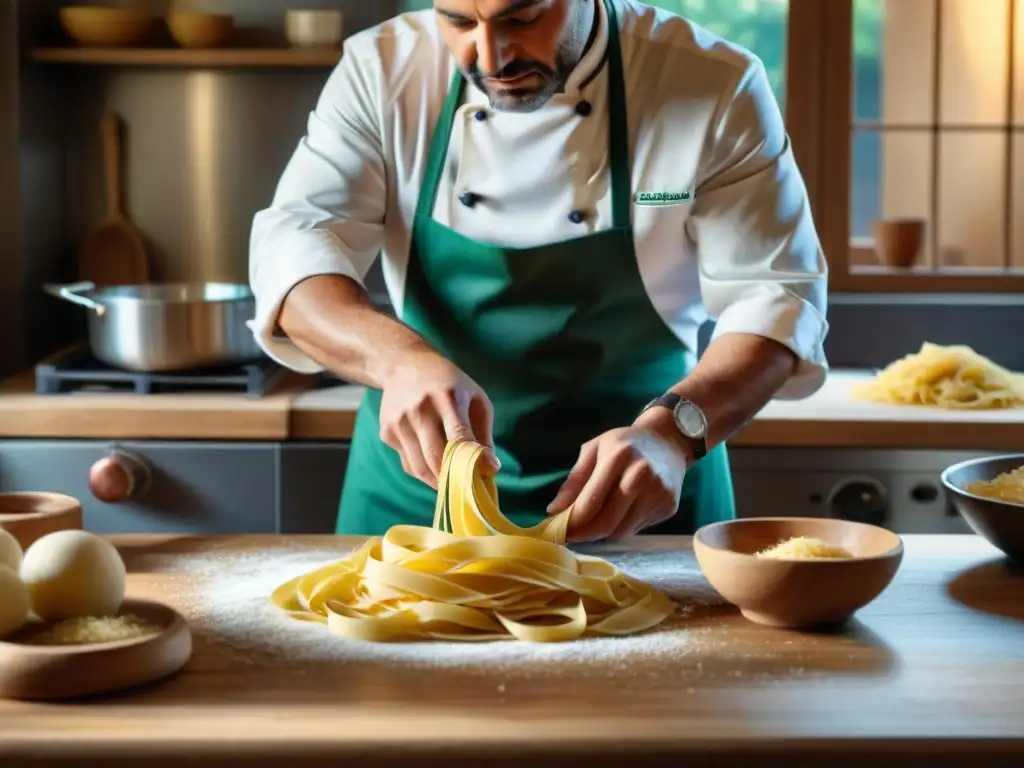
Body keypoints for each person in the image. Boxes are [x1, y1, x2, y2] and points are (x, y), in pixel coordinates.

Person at [249, 0, 829, 543]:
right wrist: (397, 362)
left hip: (640, 494)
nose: (491, 57)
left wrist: (674, 435)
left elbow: (774, 295)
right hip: (416, 498)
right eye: (458, 22)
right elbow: (297, 249)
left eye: (523, 18)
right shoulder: (381, 69)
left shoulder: (713, 83)